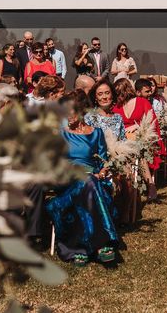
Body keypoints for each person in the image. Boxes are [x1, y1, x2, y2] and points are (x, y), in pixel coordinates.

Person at [45, 90, 118, 265]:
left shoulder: (97, 133)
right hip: (67, 183)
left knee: (90, 181)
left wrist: (101, 172)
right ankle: (103, 243)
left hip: (93, 183)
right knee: (87, 182)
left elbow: (102, 163)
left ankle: (79, 248)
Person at [87, 81, 139, 224]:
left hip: (116, 157)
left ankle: (124, 214)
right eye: (100, 94)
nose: (104, 97)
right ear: (95, 98)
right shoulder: (90, 118)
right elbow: (87, 144)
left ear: (112, 95)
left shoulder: (117, 118)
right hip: (97, 159)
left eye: (107, 93)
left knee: (127, 176)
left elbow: (122, 140)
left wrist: (121, 157)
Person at [113, 78, 165, 202]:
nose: (118, 96)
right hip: (121, 141)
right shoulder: (116, 106)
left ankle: (150, 185)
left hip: (141, 138)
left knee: (138, 152)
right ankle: (128, 186)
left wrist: (138, 130)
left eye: (119, 93)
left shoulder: (142, 102)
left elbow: (151, 123)